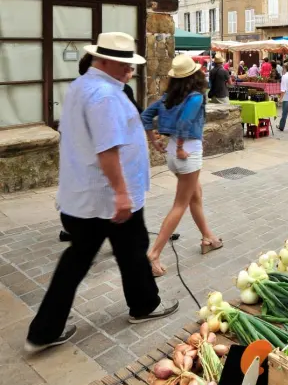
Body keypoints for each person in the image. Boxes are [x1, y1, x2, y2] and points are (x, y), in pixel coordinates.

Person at [25, 33, 178, 353]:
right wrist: (121, 194)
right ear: (104, 61)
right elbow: (106, 149)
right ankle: (143, 305)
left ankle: (45, 330)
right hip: (106, 198)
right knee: (127, 250)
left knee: (103, 256)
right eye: (124, 65)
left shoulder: (84, 85)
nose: (129, 71)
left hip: (89, 198)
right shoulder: (104, 95)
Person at [142, 55, 222, 276]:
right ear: (195, 75)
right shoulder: (195, 97)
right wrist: (179, 146)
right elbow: (185, 122)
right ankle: (154, 254)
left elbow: (146, 115)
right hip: (187, 153)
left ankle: (209, 237)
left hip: (173, 155)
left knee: (195, 194)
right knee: (180, 204)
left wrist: (154, 140)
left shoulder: (168, 97)